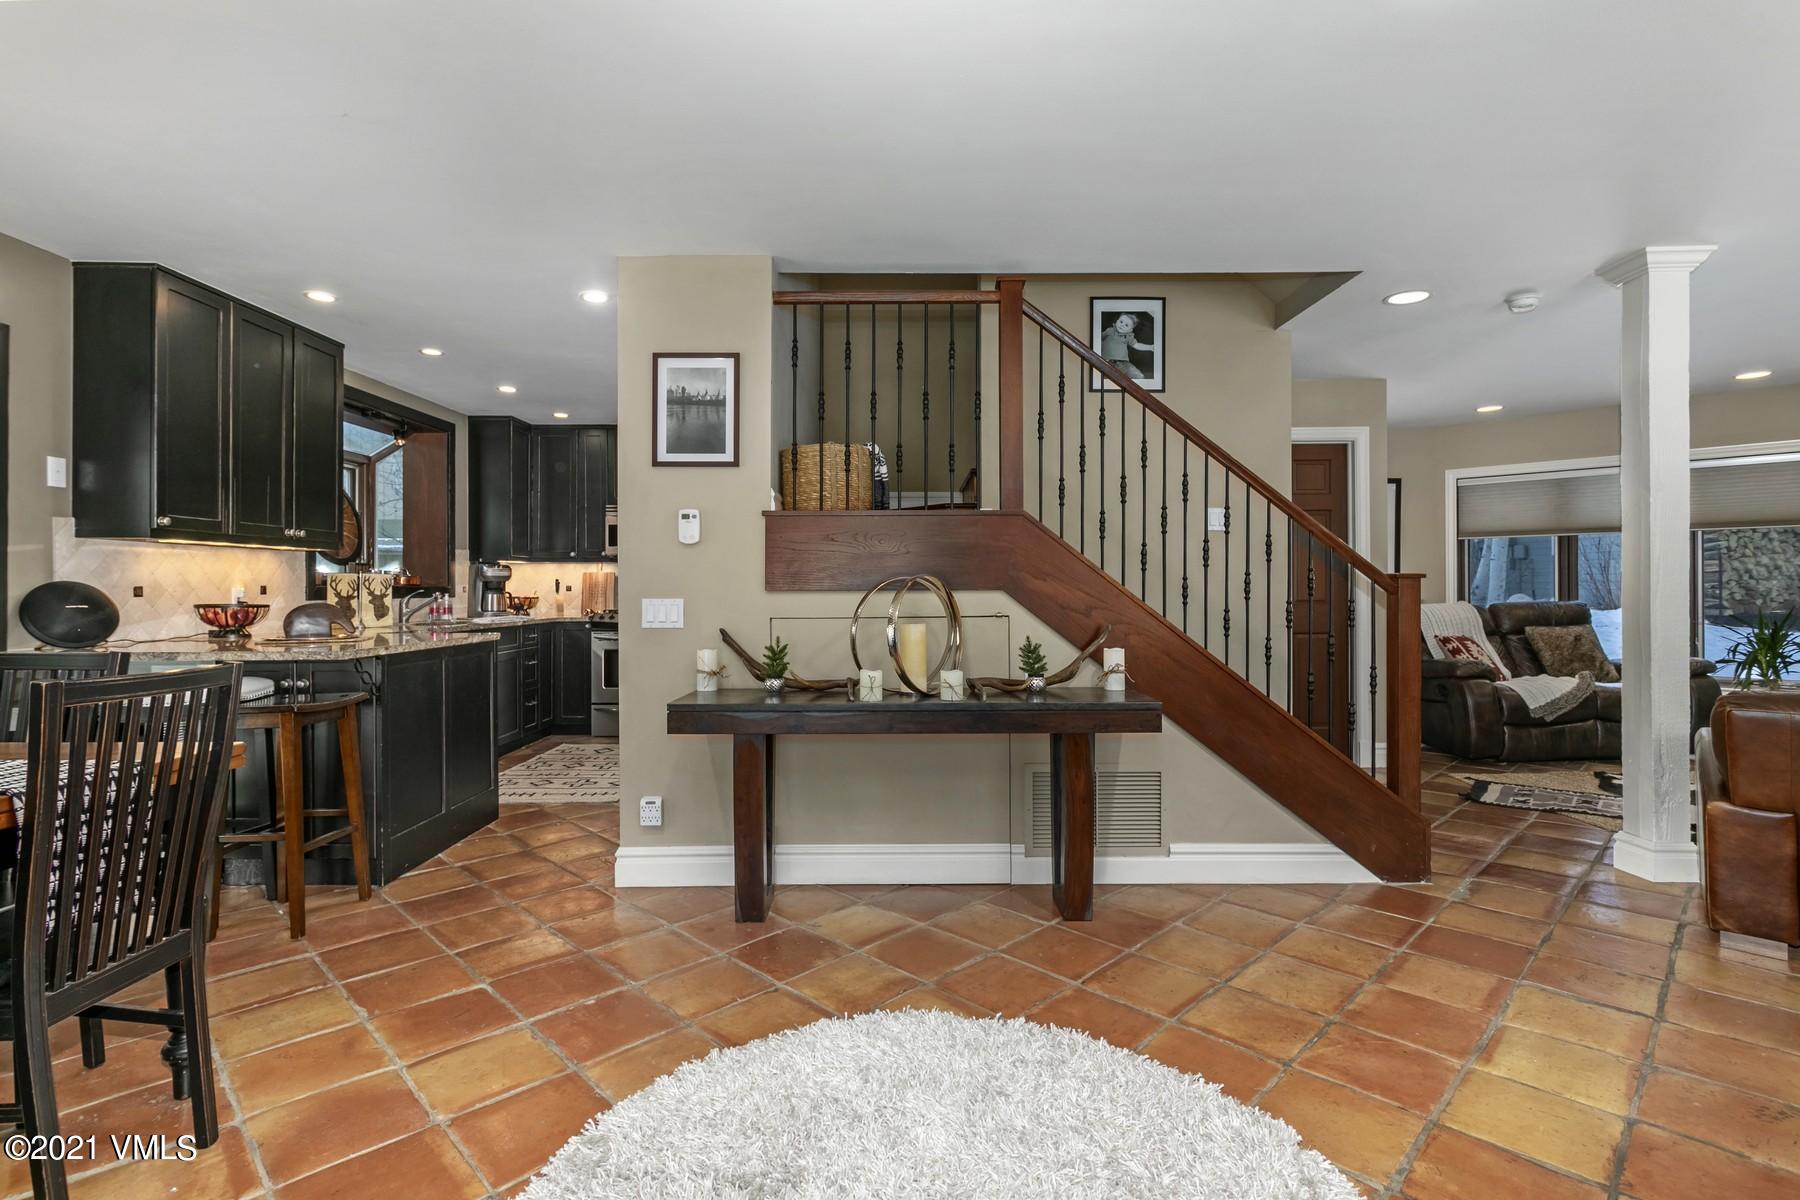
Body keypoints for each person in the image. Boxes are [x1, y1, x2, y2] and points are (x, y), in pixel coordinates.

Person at [1100, 312, 1153, 379]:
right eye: (1121, 322)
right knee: (1106, 377)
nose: (1122, 325)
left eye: (1126, 325)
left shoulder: (1128, 336)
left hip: (1124, 363)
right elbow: (1098, 338)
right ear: (1117, 321)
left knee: (1138, 375)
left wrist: (1150, 347)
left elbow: (1136, 345)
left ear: (1130, 330)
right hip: (1107, 361)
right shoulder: (1109, 331)